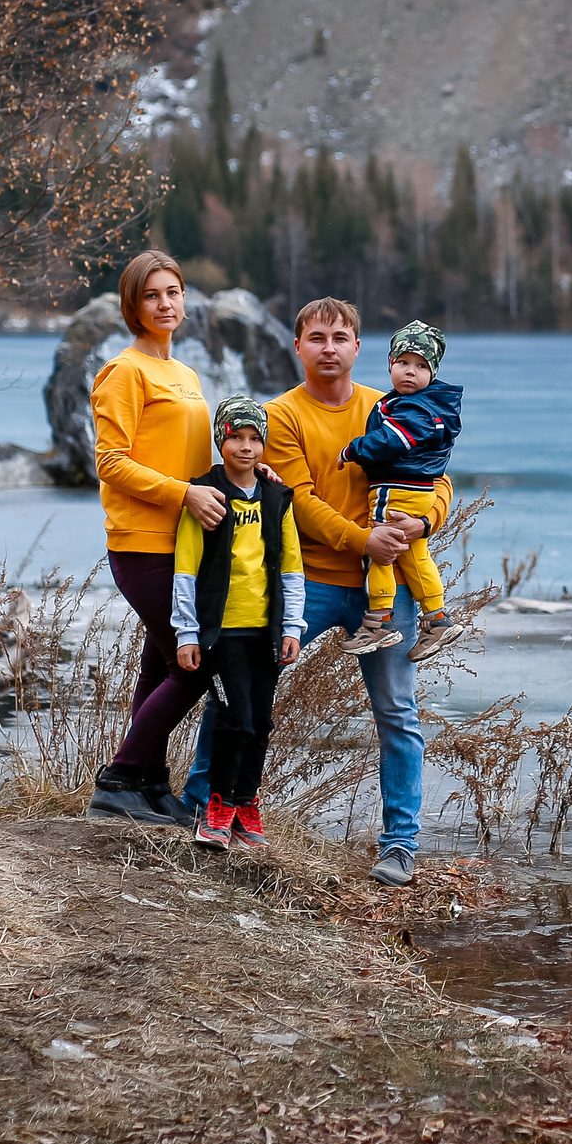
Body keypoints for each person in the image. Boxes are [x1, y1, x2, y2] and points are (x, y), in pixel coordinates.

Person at [180, 297, 441, 886]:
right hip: (309, 583)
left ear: (357, 346)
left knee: (397, 713)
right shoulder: (281, 416)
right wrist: (363, 539)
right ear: (297, 346)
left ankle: (399, 844)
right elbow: (297, 500)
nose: (329, 347)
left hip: (385, 587)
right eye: (317, 337)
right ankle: (204, 801)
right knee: (238, 686)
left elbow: (435, 477)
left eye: (341, 337)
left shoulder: (394, 406)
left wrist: (422, 525)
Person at [87, 250, 227, 829]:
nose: (165, 303)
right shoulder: (124, 372)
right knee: (195, 663)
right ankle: (118, 779)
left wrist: (247, 477)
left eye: (173, 292)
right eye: (151, 295)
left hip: (188, 543)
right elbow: (110, 463)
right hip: (143, 544)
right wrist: (183, 495)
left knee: (159, 664)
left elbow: (195, 462)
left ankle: (146, 782)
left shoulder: (186, 375)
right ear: (132, 305)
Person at [158, 395, 304, 848]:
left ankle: (245, 805)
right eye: (235, 437)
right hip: (222, 634)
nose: (245, 447)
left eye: (254, 438)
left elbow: (292, 568)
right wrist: (187, 631)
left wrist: (292, 627)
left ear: (264, 444)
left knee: (261, 723)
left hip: (265, 633)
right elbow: (186, 568)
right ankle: (215, 807)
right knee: (234, 719)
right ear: (220, 439)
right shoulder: (204, 496)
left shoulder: (277, 498)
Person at [337, 320, 468, 664]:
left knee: (380, 549)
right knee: (414, 555)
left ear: (433, 372)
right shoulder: (427, 404)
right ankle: (437, 619)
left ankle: (380, 619)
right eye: (404, 363)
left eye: (421, 366)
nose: (411, 372)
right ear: (390, 364)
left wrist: (353, 450)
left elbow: (393, 441)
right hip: (418, 490)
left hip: (396, 489)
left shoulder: (416, 409)